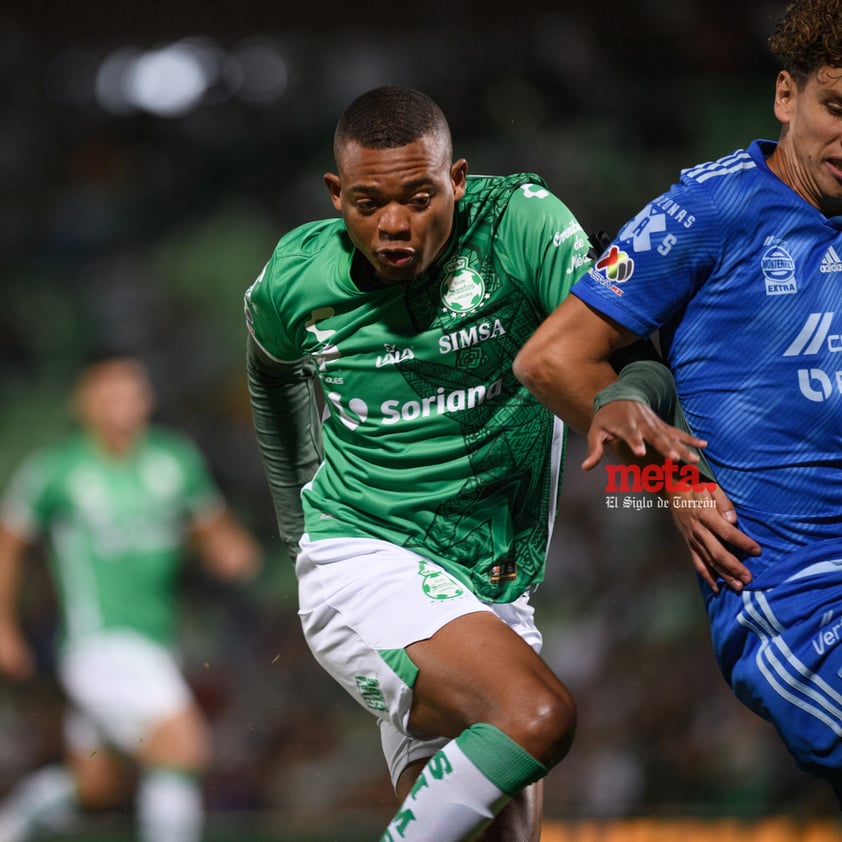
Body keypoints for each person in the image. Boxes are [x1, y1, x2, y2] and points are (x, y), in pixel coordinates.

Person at [243, 84, 714, 841]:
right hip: (367, 559)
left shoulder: (521, 224)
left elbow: (631, 356)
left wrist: (638, 408)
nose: (394, 224)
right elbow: (271, 375)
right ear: (336, 194)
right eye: (368, 203)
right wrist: (297, 522)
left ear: (457, 178)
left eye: (419, 196)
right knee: (537, 715)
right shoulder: (296, 278)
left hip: (494, 582)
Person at [514, 0, 842, 806]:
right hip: (795, 594)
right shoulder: (712, 209)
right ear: (785, 96)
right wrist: (674, 483)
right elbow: (553, 358)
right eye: (838, 108)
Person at [0, 355, 262, 842]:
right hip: (97, 643)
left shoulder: (174, 460)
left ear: (147, 399)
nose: (123, 405)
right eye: (109, 394)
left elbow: (214, 531)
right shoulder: (58, 470)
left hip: (156, 643)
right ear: (83, 403)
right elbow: (9, 544)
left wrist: (231, 550)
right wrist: (4, 627)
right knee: (182, 749)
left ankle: (11, 826)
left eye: (132, 392)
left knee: (96, 786)